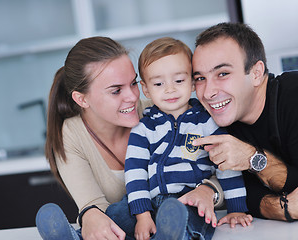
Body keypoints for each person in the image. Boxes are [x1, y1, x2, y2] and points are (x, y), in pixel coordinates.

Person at [34, 36, 222, 240]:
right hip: (131, 227)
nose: (133, 97)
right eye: (116, 90)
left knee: (180, 216)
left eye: (133, 83)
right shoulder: (72, 134)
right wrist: (91, 215)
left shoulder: (162, 111)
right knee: (112, 217)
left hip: (178, 214)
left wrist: (209, 189)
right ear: (82, 99)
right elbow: (94, 207)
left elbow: (218, 165)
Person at [122, 37, 252, 240]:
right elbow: (135, 172)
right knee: (117, 213)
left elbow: (225, 164)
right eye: (158, 83)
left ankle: (171, 235)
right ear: (145, 89)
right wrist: (142, 215)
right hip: (151, 202)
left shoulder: (206, 122)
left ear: (192, 82)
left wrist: (236, 209)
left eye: (179, 80)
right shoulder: (143, 128)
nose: (170, 89)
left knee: (187, 218)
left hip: (189, 199)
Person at [192, 22, 298, 222]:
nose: (208, 92)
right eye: (199, 78)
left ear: (256, 73)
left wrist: (252, 158)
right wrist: (281, 208)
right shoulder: (214, 123)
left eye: (222, 74)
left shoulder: (293, 94)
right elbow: (247, 195)